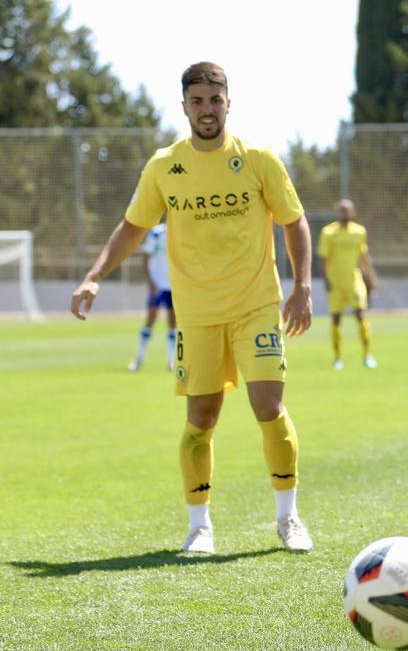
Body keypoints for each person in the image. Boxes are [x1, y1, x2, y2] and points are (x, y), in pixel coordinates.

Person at [70, 62, 314, 555]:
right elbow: (132, 228)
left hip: (256, 306)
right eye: (197, 101)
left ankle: (288, 518)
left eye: (214, 99)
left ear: (229, 102)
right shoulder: (164, 165)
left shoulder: (259, 158)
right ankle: (199, 526)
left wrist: (302, 286)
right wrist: (95, 275)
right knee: (201, 419)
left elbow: (295, 221)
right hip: (197, 313)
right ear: (184, 106)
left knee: (268, 407)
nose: (207, 109)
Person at [318, 199, 378, 370]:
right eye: (341, 210)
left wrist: (371, 279)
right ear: (337, 212)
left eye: (347, 210)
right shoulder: (328, 233)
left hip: (354, 281)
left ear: (353, 213)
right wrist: (326, 280)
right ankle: (338, 358)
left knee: (361, 314)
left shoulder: (359, 232)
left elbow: (363, 257)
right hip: (335, 283)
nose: (344, 214)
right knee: (336, 320)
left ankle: (368, 355)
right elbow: (322, 259)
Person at [128, 223, 176, 372]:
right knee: (150, 319)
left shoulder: (184, 230)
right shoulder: (156, 233)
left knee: (173, 323)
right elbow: (145, 256)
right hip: (158, 285)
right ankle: (138, 359)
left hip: (174, 286)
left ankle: (171, 361)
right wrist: (150, 281)